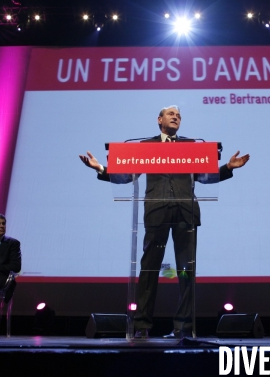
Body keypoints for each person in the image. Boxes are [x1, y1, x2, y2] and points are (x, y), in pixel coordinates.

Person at [79, 105, 250, 338]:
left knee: (186, 272)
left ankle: (183, 327)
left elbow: (204, 176)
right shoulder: (145, 147)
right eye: (171, 114)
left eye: (179, 116)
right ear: (159, 120)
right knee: (149, 271)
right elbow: (127, 176)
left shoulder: (191, 147)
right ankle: (141, 326)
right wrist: (100, 168)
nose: (176, 118)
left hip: (185, 213)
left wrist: (227, 168)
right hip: (156, 212)